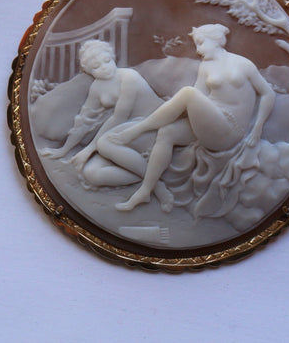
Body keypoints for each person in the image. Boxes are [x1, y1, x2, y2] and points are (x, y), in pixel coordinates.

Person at [109, 23, 275, 211]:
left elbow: (268, 93)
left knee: (187, 93)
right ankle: (145, 191)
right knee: (167, 132)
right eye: (197, 44)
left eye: (201, 43)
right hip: (211, 122)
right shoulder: (206, 67)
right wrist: (173, 106)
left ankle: (136, 130)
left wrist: (257, 129)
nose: (198, 50)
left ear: (216, 41)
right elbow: (199, 94)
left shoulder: (243, 64)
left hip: (230, 129)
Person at [39, 39, 174, 209]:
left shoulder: (129, 77)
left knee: (104, 143)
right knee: (93, 174)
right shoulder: (97, 88)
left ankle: (157, 187)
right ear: (88, 71)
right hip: (126, 134)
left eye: (107, 60)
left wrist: (88, 150)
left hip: (152, 126)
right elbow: (84, 120)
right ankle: (149, 175)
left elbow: (120, 116)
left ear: (112, 57)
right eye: (96, 67)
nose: (104, 67)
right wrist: (63, 150)